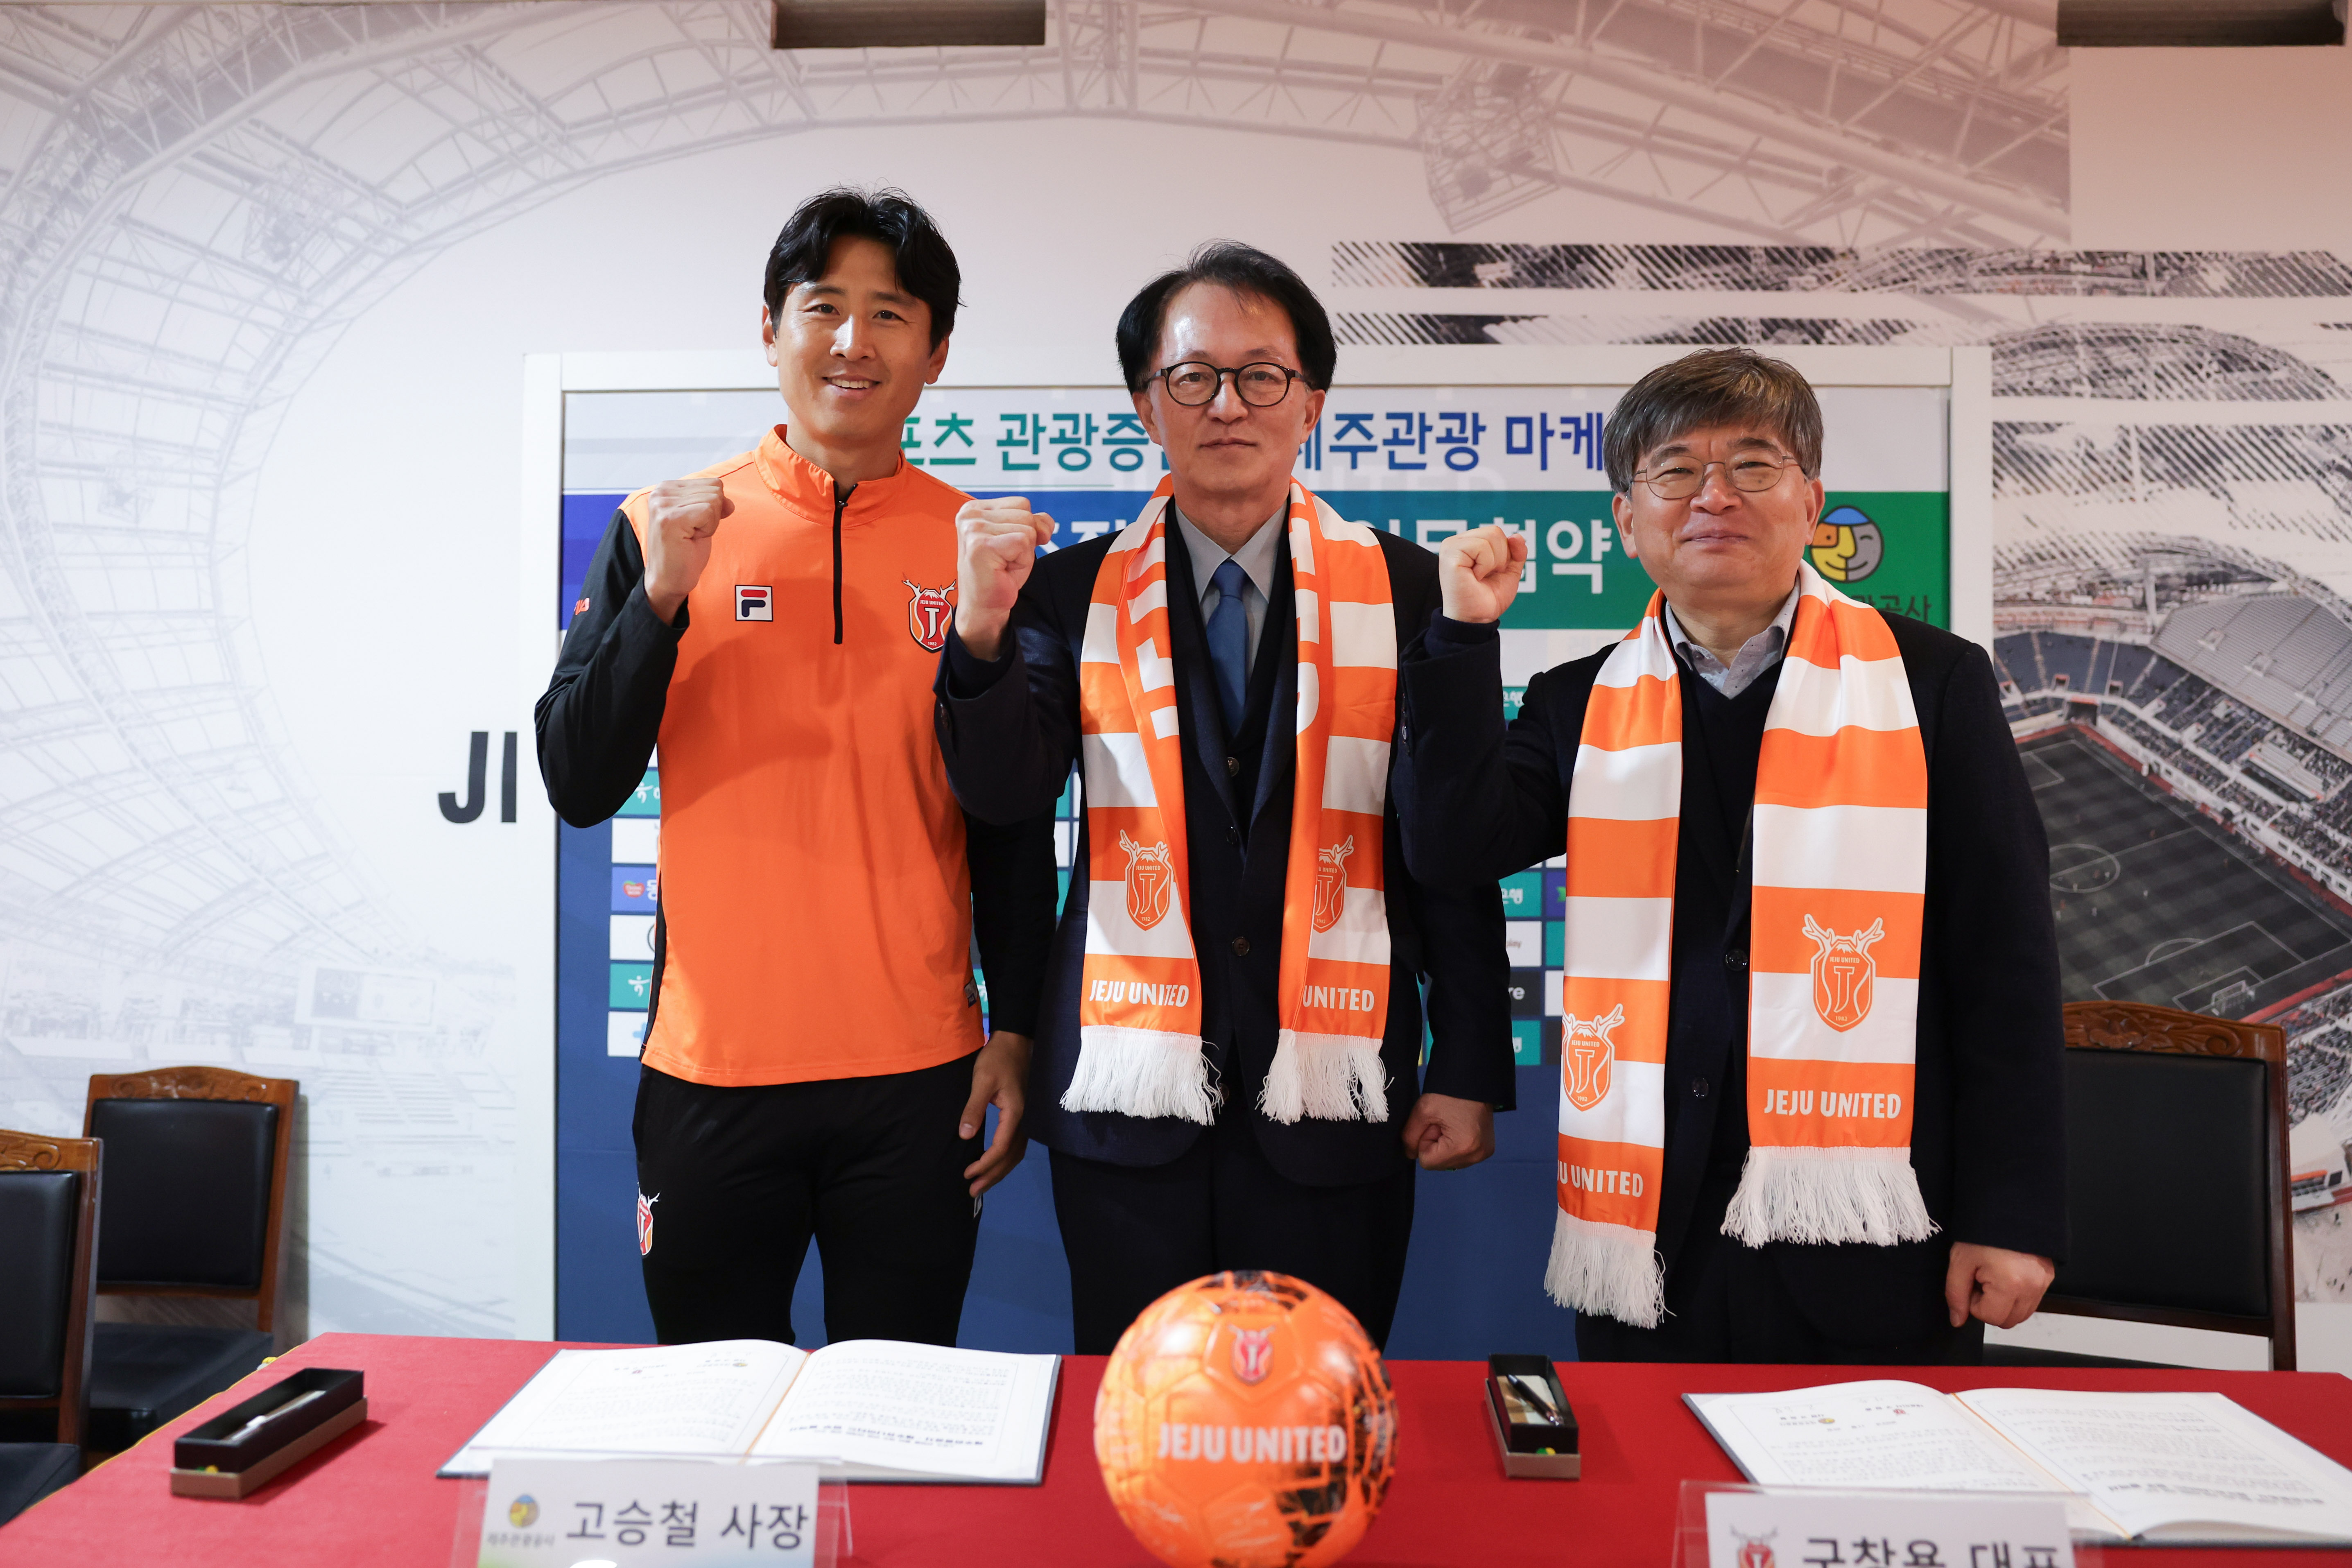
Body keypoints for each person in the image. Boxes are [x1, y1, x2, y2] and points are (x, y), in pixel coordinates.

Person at [1397, 347, 2063, 1363]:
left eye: (1752, 465)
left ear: (1812, 502)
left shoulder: (1929, 682)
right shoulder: (1578, 701)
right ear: (1628, 521)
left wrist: (2011, 1212)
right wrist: (1459, 639)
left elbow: (2004, 958)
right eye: (1675, 471)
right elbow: (1451, 847)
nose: (1714, 496)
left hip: (1874, 1219)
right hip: (1651, 1228)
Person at [932, 242, 1514, 1354]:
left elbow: (1444, 841)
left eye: (1262, 375)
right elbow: (1004, 798)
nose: (1228, 404)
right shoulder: (1063, 589)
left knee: (1322, 1407)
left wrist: (1471, 1060)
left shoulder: (1412, 587)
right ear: (1147, 405)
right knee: (1140, 1405)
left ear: (1313, 402)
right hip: (1126, 1099)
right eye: (1193, 377)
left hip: (1338, 1090)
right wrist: (981, 634)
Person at [535, 187, 1055, 1348]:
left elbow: (1016, 820)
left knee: (900, 1413)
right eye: (824, 308)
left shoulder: (984, 549)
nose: (853, 342)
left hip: (920, 1076)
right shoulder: (662, 526)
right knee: (714, 1412)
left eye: (891, 314)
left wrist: (1016, 1030)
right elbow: (577, 777)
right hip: (711, 1069)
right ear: (770, 331)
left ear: (936, 355)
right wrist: (661, 598)